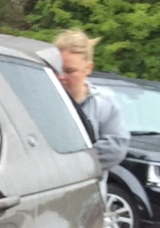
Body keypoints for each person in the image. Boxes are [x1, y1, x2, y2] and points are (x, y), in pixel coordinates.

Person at [53, 30, 129, 180]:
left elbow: (116, 148)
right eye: (56, 69)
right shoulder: (38, 101)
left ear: (88, 68)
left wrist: (68, 163)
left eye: (69, 71)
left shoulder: (104, 105)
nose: (61, 76)